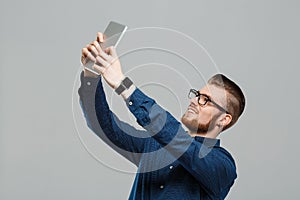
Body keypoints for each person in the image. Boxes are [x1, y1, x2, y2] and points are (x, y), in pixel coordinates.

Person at [78, 32, 245, 200]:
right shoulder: (153, 145)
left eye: (205, 100)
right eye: (196, 94)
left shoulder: (223, 166)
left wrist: (123, 84)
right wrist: (91, 73)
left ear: (224, 119)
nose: (194, 101)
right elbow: (103, 125)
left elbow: (178, 140)